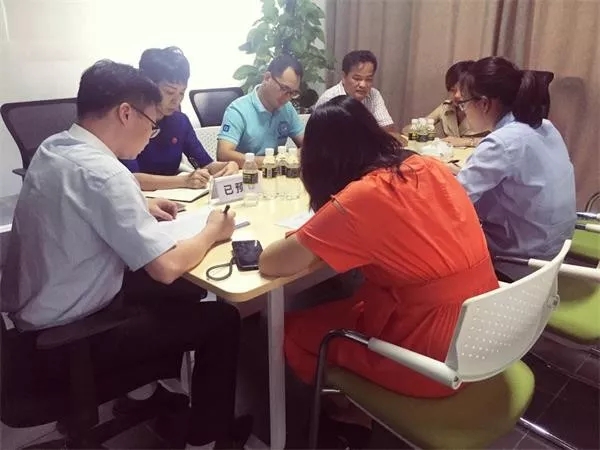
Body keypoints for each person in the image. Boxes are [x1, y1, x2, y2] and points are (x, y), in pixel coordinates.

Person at [0, 60, 250, 448]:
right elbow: (166, 267)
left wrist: (140, 204)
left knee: (185, 291)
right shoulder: (106, 174)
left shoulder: (55, 148)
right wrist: (212, 232)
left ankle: (142, 394)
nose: (152, 135)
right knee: (222, 318)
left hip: (34, 318)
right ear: (126, 113)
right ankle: (204, 441)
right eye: (152, 124)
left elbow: (77, 202)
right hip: (70, 338)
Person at [259, 96, 498, 402]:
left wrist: (313, 231)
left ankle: (341, 412)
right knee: (348, 302)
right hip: (483, 329)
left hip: (433, 355)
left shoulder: (362, 198)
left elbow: (272, 263)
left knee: (289, 327)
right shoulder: (427, 165)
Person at [453, 56, 576, 279]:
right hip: (553, 253)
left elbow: (454, 202)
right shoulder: (545, 126)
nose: (463, 111)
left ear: (484, 103)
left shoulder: (502, 142)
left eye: (463, 104)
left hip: (518, 263)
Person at [120, 47, 238, 191]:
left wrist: (229, 165)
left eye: (182, 93)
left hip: (176, 198)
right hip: (140, 198)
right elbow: (131, 178)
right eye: (169, 92)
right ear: (149, 87)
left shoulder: (179, 121)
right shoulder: (129, 122)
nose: (176, 101)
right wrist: (183, 181)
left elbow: (205, 164)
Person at [217, 54, 305, 167]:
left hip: (276, 174)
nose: (287, 98)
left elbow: (308, 145)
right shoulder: (238, 110)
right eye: (284, 89)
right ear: (267, 78)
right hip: (247, 174)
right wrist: (272, 161)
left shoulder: (287, 109)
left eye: (293, 93)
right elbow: (223, 154)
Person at [315, 50, 404, 144]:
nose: (363, 85)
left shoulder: (374, 95)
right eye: (357, 78)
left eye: (368, 79)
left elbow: (389, 131)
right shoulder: (329, 99)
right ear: (344, 77)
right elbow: (323, 141)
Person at [425, 60, 488, 147]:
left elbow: (501, 140)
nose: (457, 95)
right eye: (452, 90)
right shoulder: (446, 107)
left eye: (463, 90)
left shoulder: (485, 109)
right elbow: (419, 125)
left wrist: (467, 142)